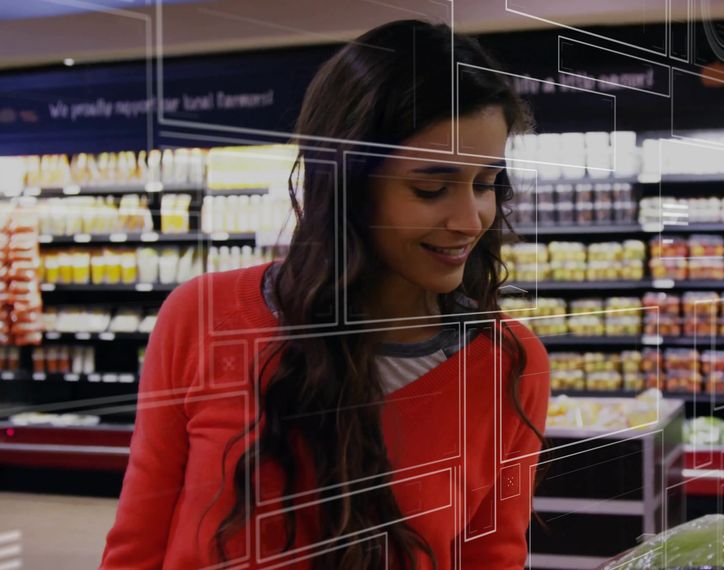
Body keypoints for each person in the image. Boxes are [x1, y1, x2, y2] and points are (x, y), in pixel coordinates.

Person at [101, 19, 549, 569]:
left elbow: (492, 556)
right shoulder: (201, 316)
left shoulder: (508, 363)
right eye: (429, 188)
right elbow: (137, 542)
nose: (470, 219)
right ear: (347, 184)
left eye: (484, 184)